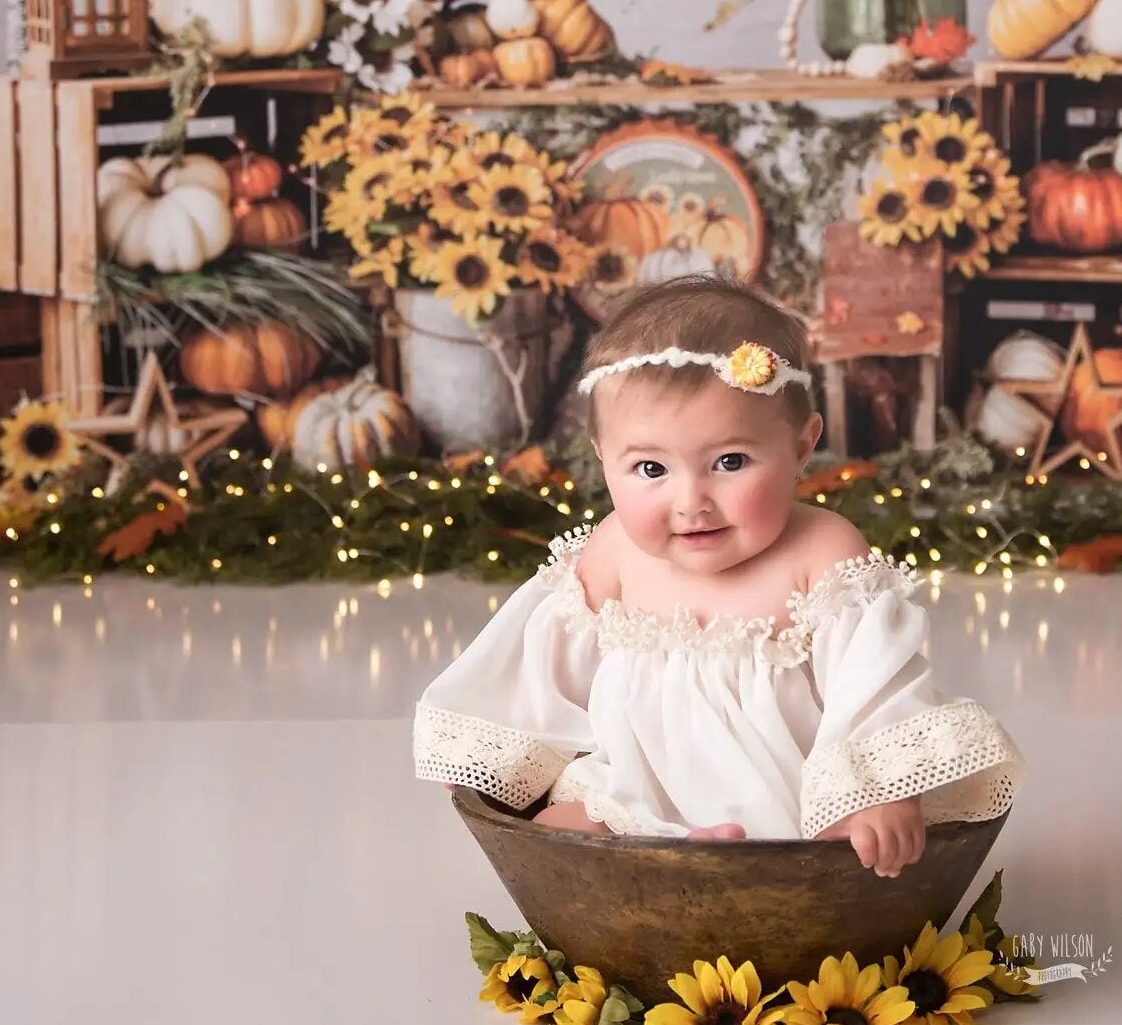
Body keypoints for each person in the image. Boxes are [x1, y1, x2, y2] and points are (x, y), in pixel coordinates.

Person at [413, 277, 1022, 877]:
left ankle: (741, 857)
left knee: (842, 848)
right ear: (602, 454)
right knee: (558, 835)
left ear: (802, 444)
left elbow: (876, 680)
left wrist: (881, 787)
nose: (691, 501)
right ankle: (654, 852)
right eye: (650, 468)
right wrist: (494, 751)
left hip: (781, 797)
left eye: (730, 462)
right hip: (632, 788)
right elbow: (544, 666)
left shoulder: (821, 552)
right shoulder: (615, 552)